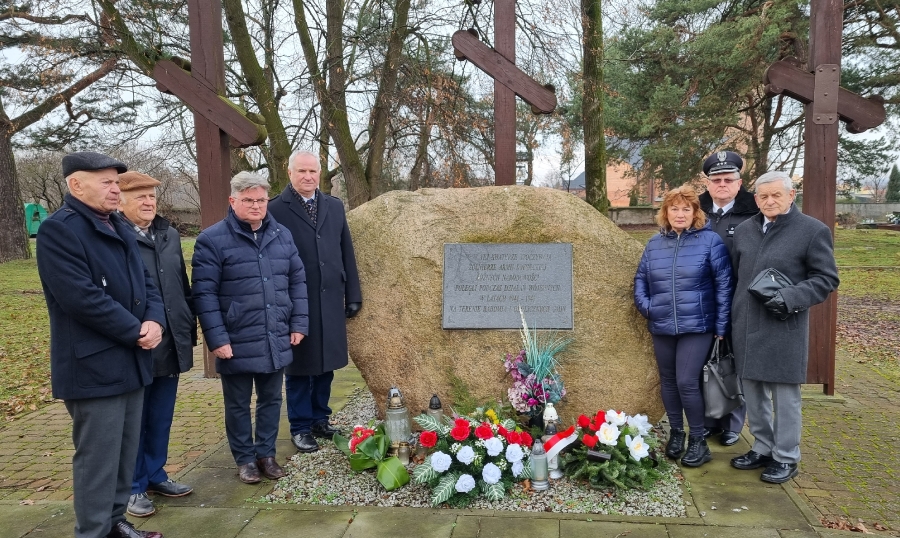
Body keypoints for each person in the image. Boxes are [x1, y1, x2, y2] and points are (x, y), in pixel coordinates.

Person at [36, 152, 166, 538]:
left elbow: (147, 283)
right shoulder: (60, 230)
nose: (115, 189)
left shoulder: (119, 225)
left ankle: (114, 524)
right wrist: (136, 330)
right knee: (98, 459)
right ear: (76, 185)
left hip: (131, 360)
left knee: (124, 453)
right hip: (93, 365)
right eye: (106, 182)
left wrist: (155, 320)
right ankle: (92, 531)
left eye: (116, 182)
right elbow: (81, 298)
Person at [191, 172, 309, 483]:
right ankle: (244, 458)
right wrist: (217, 338)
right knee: (238, 404)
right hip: (236, 337)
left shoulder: (282, 235)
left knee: (272, 400)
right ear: (233, 201)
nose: (256, 206)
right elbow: (204, 294)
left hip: (275, 333)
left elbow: (297, 281)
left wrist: (298, 322)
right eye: (248, 200)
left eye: (260, 200)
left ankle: (266, 455)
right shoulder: (211, 240)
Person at [729, 171, 839, 484]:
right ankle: (763, 447)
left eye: (776, 195)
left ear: (791, 195)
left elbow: (826, 278)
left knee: (785, 398)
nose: (769, 201)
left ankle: (786, 457)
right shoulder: (745, 230)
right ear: (756, 199)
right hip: (746, 324)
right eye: (763, 196)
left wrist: (789, 297)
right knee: (753, 394)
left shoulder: (812, 231)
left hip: (783, 326)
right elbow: (737, 275)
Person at [267, 150, 362, 453]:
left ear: (320, 173)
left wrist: (353, 294)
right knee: (300, 367)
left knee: (326, 365)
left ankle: (320, 418)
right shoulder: (275, 209)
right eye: (302, 171)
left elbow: (346, 250)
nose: (308, 177)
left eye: (313, 171)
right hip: (296, 300)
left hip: (331, 297)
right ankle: (300, 426)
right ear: (290, 172)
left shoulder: (334, 206)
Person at [634, 185, 733, 468]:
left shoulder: (710, 241)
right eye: (674, 209)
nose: (680, 214)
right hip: (662, 323)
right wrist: (648, 307)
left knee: (686, 382)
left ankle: (699, 440)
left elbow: (724, 285)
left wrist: (721, 326)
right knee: (668, 380)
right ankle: (676, 433)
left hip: (697, 325)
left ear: (695, 212)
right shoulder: (654, 244)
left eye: (686, 209)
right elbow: (641, 279)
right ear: (665, 212)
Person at [117, 172, 197, 518]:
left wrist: (188, 327)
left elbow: (181, 284)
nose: (149, 202)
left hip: (172, 339)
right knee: (134, 420)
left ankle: (155, 474)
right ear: (120, 201)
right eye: (141, 197)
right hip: (138, 343)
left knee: (161, 417)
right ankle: (133, 486)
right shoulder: (115, 236)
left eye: (151, 196)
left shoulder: (168, 234)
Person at [698, 150, 757, 447]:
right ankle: (709, 420)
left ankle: (733, 423)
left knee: (732, 362)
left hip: (738, 298)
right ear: (708, 183)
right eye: (716, 179)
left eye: (728, 179)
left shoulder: (753, 211)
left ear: (739, 182)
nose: (722, 184)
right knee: (703, 361)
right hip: (701, 299)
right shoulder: (695, 210)